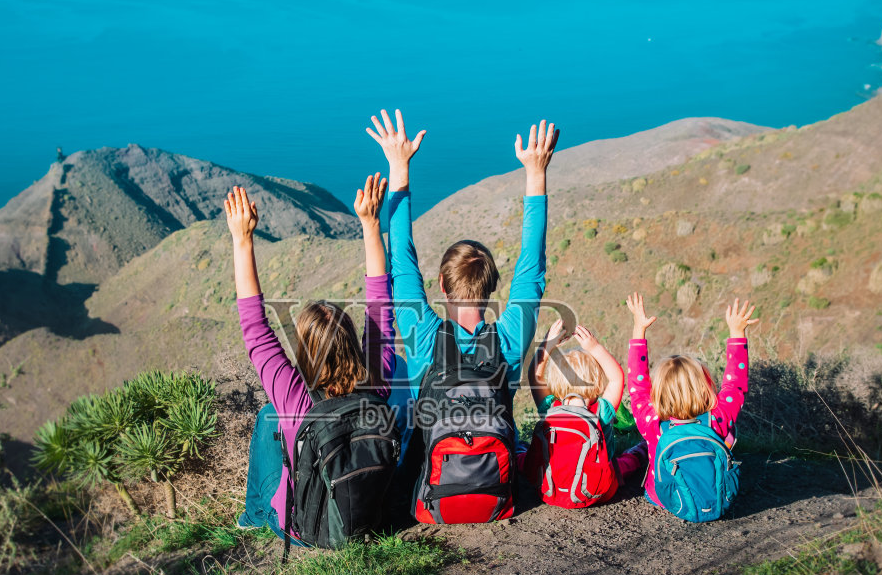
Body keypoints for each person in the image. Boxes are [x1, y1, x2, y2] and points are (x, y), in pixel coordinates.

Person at [369, 109, 558, 523]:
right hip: (497, 495)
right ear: (491, 288)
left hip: (431, 498)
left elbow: (401, 260)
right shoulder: (508, 339)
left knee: (396, 371)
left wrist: (398, 167)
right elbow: (532, 267)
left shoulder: (423, 333)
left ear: (441, 284)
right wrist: (535, 173)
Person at [230, 175, 397, 544]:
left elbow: (255, 329)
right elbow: (380, 304)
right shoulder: (377, 380)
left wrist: (242, 240)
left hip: (309, 532)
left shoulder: (295, 400)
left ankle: (255, 515)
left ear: (304, 352)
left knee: (268, 415)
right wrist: (371, 224)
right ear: (353, 341)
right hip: (370, 520)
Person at [625, 294, 758, 521]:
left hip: (663, 497)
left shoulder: (652, 422)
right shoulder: (718, 417)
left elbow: (637, 387)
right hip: (717, 497)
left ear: (658, 392)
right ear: (705, 386)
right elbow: (735, 384)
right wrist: (737, 333)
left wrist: (639, 330)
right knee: (729, 433)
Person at [522, 317, 646, 507]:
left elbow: (535, 375)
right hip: (599, 492)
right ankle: (642, 451)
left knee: (522, 454)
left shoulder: (550, 409)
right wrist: (594, 347)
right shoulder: (600, 411)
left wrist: (546, 346)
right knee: (626, 463)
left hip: (549, 491)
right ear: (596, 380)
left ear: (556, 381)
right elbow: (616, 378)